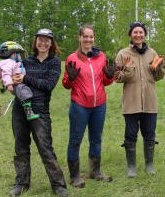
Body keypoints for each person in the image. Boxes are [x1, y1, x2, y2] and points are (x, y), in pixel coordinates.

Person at [9, 28, 68, 196]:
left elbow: (48, 85)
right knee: (20, 147)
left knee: (45, 148)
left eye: (47, 40)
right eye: (40, 39)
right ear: (35, 42)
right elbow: (16, 84)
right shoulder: (26, 61)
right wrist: (11, 81)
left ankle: (59, 186)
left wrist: (25, 78)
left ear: (51, 43)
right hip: (20, 108)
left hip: (40, 111)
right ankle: (21, 183)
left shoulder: (55, 62)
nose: (43, 43)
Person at [62, 24, 114, 188]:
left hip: (99, 105)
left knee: (96, 140)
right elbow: (66, 84)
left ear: (94, 38)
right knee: (75, 140)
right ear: (80, 38)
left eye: (91, 37)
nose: (88, 39)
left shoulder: (101, 57)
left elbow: (105, 82)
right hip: (80, 105)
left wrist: (110, 76)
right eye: (85, 36)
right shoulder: (72, 58)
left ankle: (95, 172)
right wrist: (70, 78)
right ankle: (75, 176)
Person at [114, 21, 165, 178]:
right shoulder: (123, 54)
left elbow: (158, 77)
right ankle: (131, 167)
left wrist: (159, 68)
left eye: (141, 32)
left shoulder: (152, 53)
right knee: (130, 134)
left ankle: (149, 164)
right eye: (135, 32)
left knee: (149, 134)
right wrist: (128, 70)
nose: (138, 35)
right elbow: (117, 77)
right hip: (131, 102)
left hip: (150, 102)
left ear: (145, 34)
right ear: (130, 35)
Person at [0, 41, 39, 120]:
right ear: (13, 54)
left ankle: (27, 109)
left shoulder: (12, 62)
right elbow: (6, 74)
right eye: (19, 54)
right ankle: (29, 113)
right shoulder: (9, 63)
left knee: (26, 92)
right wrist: (9, 84)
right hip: (16, 85)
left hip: (17, 84)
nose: (20, 56)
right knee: (25, 92)